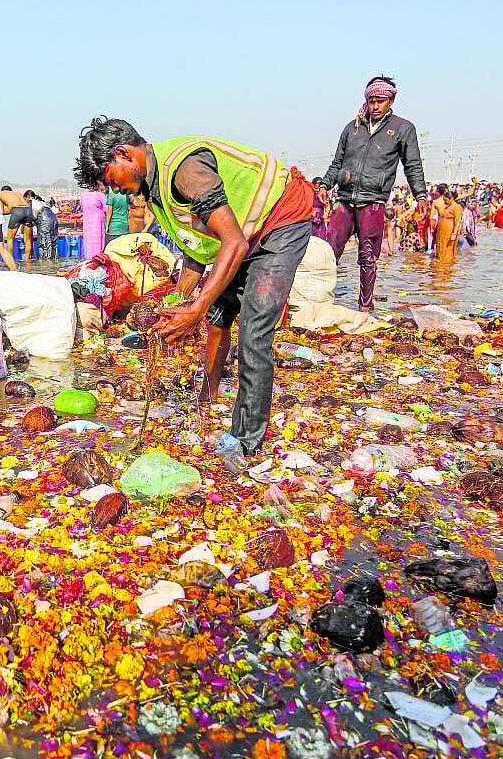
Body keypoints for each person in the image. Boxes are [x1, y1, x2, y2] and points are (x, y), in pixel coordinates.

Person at [74, 117, 313, 470]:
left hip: (281, 218)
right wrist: (177, 298)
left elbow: (233, 241)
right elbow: (198, 248)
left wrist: (196, 307)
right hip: (242, 232)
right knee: (218, 315)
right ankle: (208, 396)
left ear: (124, 154)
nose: (114, 191)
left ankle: (245, 442)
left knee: (255, 328)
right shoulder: (153, 191)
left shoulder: (185, 171)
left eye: (111, 180)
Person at [318, 76, 426, 312]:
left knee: (367, 256)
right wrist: (325, 185)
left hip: (373, 201)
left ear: (391, 100)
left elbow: (413, 164)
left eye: (380, 101)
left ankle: (365, 306)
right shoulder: (352, 127)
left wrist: (420, 195)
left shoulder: (402, 128)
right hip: (345, 199)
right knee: (329, 252)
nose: (375, 106)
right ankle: (321, 301)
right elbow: (337, 162)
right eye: (372, 101)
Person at [0, 185, 35, 261]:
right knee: (27, 239)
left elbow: (1, 211)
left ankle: (10, 260)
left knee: (10, 239)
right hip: (28, 210)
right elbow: (18, 207)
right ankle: (27, 260)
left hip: (17, 211)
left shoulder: (1, 194)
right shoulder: (17, 193)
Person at [25, 190, 60, 261]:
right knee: (53, 242)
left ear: (28, 197)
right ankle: (54, 261)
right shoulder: (41, 202)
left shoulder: (30, 202)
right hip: (53, 219)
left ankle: (45, 264)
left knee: (44, 242)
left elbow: (29, 217)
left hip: (44, 219)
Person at [432, 185, 462, 261]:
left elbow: (458, 221)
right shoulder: (446, 207)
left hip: (449, 230)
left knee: (448, 248)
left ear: (451, 199)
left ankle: (447, 264)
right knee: (441, 246)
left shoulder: (457, 207)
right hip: (441, 230)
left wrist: (454, 234)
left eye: (446, 200)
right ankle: (440, 262)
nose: (444, 202)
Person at [80, 182, 107, 259]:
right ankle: (98, 259)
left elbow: (83, 207)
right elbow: (106, 209)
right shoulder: (100, 195)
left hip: (87, 221)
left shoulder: (83, 196)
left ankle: (89, 259)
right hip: (98, 221)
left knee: (89, 242)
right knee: (98, 242)